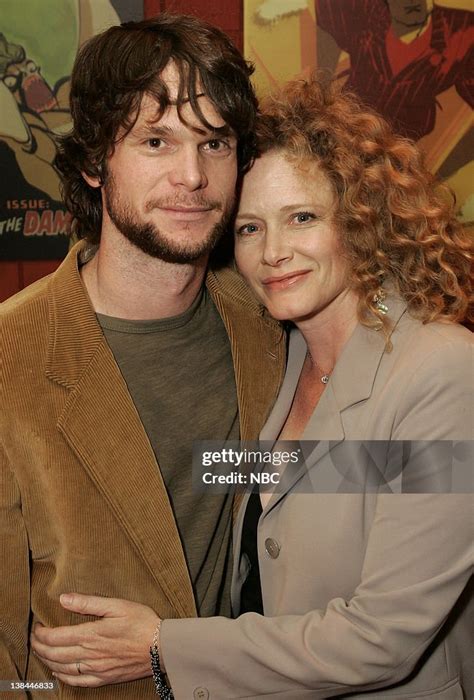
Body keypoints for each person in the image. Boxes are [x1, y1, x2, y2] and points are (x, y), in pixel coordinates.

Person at [31, 80, 473, 698]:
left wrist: (161, 646)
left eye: (302, 217)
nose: (274, 252)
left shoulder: (442, 371)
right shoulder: (284, 355)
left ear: (361, 218)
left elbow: (382, 638)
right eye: (248, 228)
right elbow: (294, 479)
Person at [0, 14, 286, 696]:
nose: (192, 176)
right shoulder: (11, 358)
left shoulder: (271, 323)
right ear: (96, 160)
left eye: (215, 143)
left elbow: (302, 476)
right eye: (156, 141)